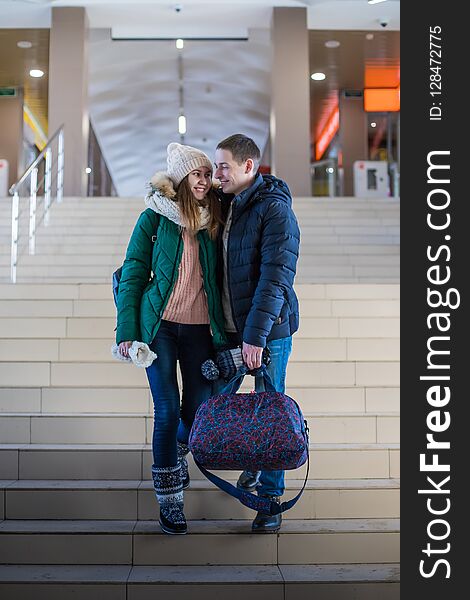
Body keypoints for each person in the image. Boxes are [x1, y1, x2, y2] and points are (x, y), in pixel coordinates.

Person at [116, 143, 226, 535]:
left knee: (196, 412)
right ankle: (170, 501)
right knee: (165, 410)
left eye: (207, 174)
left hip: (200, 330)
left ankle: (176, 455)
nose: (204, 181)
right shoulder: (153, 219)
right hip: (159, 328)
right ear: (180, 178)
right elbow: (132, 272)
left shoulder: (214, 217)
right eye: (197, 174)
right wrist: (127, 331)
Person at [213, 133, 300, 533]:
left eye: (224, 166)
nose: (218, 173)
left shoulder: (275, 211)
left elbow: (276, 277)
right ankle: (251, 461)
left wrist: (256, 336)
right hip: (231, 329)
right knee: (227, 404)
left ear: (250, 166)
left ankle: (270, 499)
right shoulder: (225, 204)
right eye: (216, 166)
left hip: (267, 331)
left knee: (269, 410)